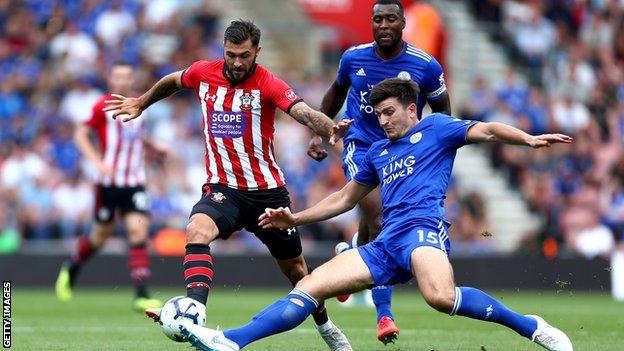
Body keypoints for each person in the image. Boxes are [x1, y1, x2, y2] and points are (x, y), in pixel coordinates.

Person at [176, 78, 574, 351]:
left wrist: (528, 139)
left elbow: (486, 130)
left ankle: (532, 327)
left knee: (439, 297)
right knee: (311, 286)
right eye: (378, 115)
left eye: (388, 113)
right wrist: (295, 219)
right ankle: (231, 340)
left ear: (411, 108)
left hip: (423, 230)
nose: (382, 121)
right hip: (384, 244)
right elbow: (345, 198)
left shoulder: (437, 128)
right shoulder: (378, 152)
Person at [103, 20, 352, 351]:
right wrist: (141, 102)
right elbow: (172, 81)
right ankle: (194, 309)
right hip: (224, 190)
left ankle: (325, 325)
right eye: (231, 54)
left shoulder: (269, 83)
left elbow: (303, 112)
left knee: (298, 273)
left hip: (267, 193)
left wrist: (329, 126)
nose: (237, 62)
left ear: (257, 53)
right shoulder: (203, 73)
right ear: (223, 49)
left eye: (244, 56)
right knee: (196, 230)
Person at [307, 0, 451, 343]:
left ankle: (352, 252)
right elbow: (335, 92)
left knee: (377, 223)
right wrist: (319, 132)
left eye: (391, 19)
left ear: (403, 23)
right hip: (361, 145)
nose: (384, 25)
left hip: (401, 149)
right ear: (371, 23)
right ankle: (384, 314)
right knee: (380, 213)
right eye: (377, 19)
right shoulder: (353, 58)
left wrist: (432, 149)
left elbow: (444, 111)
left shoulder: (424, 65)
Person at [55, 61, 165, 312]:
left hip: (135, 182)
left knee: (138, 234)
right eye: (118, 76)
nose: (123, 81)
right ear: (110, 79)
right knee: (100, 236)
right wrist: (97, 162)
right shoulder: (101, 106)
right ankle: (71, 267)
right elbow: (80, 134)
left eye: (127, 76)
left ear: (132, 79)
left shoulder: (141, 104)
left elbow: (136, 135)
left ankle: (141, 295)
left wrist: (155, 145)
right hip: (108, 184)